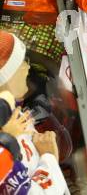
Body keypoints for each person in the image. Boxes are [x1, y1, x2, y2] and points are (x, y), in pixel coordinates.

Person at [0, 30, 69, 194]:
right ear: (5, 77)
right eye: (21, 62)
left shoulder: (16, 119)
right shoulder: (7, 137)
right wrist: (49, 157)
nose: (27, 66)